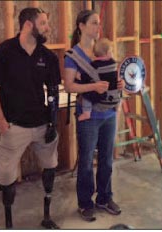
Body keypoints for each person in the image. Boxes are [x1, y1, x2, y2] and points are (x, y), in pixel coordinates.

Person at [0, 7, 61, 229]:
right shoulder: (3, 53)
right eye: (44, 23)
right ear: (29, 24)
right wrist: (1, 123)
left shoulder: (47, 56)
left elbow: (54, 92)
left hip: (42, 125)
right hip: (13, 127)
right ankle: (9, 224)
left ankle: (47, 216)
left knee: (50, 167)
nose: (48, 27)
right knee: (7, 178)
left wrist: (53, 123)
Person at [63, 10, 125, 222]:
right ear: (81, 26)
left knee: (107, 158)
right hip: (88, 116)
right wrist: (94, 86)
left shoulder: (104, 50)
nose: (98, 27)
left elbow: (112, 75)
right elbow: (69, 86)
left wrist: (120, 83)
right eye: (93, 23)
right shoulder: (73, 56)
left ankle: (105, 198)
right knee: (87, 161)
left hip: (109, 113)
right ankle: (85, 203)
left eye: (99, 23)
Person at [77, 38, 119, 121]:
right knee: (116, 87)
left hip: (102, 102)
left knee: (86, 93)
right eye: (112, 51)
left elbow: (85, 77)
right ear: (108, 53)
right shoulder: (114, 65)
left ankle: (86, 113)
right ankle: (117, 107)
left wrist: (77, 75)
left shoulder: (95, 66)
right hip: (115, 100)